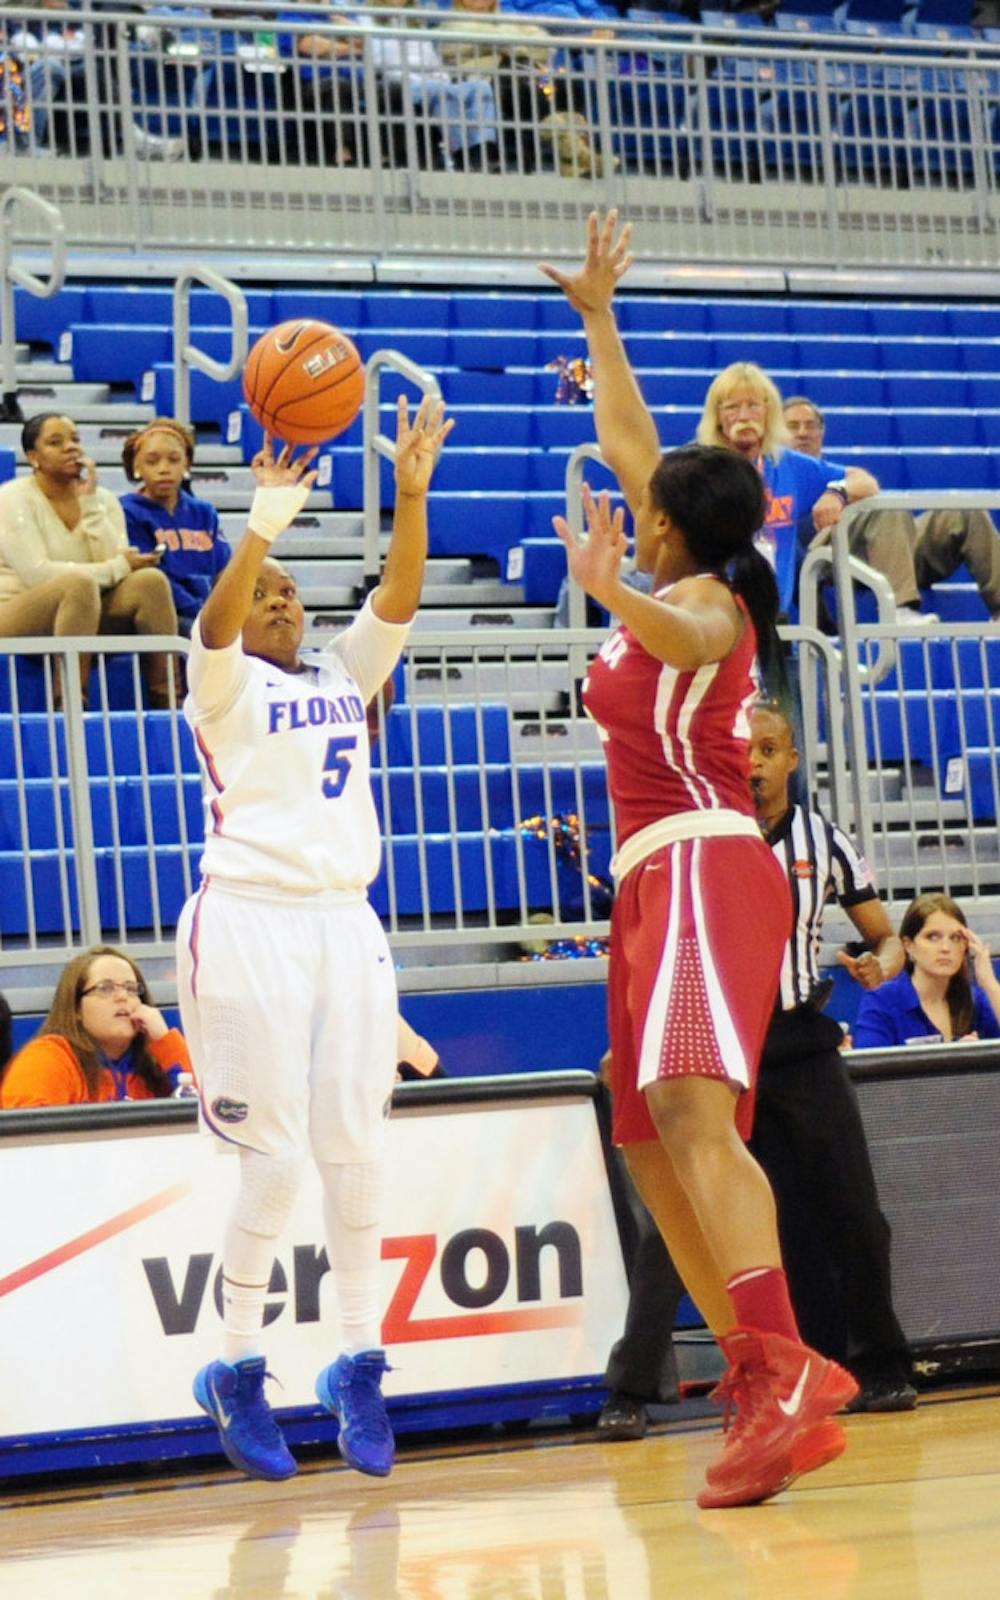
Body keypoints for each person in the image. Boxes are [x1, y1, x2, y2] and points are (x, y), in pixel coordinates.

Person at [539, 210, 859, 1511]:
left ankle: (786, 1366)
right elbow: (629, 441)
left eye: (647, 506)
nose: (634, 496)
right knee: (645, 1120)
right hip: (650, 881)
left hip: (704, 863)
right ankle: (753, 1368)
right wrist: (602, 316)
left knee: (684, 1108)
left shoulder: (716, 602)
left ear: (675, 529)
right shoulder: (668, 564)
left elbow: (671, 635)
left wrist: (607, 591)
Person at [175, 393, 453, 1484]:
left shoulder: (342, 677)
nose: (287, 602)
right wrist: (260, 531)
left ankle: (358, 1361)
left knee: (357, 1152)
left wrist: (413, 493)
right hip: (247, 919)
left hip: (347, 923)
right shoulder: (220, 685)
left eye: (296, 592)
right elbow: (211, 622)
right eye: (271, 597)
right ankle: (236, 1366)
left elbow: (398, 595)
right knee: (276, 1162)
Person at [595, 697, 916, 1439]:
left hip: (793, 1039)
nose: (756, 762)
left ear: (791, 760)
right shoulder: (689, 844)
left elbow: (884, 931)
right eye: (746, 749)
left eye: (770, 750)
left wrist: (884, 962)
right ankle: (633, 1387)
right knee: (676, 1221)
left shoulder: (821, 840)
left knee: (856, 1210)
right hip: (708, 1041)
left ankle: (883, 1364)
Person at [0, 413, 179, 707]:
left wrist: (90, 504)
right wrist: (118, 567)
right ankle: (70, 705)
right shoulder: (11, 498)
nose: (71, 448)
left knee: (150, 582)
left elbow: (117, 564)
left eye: (75, 440)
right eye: (56, 442)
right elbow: (37, 574)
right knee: (77, 584)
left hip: (83, 614)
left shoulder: (103, 500)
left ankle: (170, 702)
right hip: (15, 612)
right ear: (33, 457)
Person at [784, 395, 1000, 625]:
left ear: (822, 433)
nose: (803, 432)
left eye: (811, 425)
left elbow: (868, 483)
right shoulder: (779, 475)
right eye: (793, 426)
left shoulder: (829, 471)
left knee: (965, 513)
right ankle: (899, 610)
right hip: (829, 558)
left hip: (886, 549)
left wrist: (836, 493)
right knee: (885, 509)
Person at [0, 945, 191, 1107]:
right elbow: (25, 1137)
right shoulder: (50, 1057)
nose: (122, 996)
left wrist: (166, 1041)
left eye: (131, 989)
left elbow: (213, 1111)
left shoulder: (154, 1065)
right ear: (75, 1008)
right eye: (105, 988)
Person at [119, 417, 232, 637]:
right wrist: (202, 614)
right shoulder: (127, 511)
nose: (164, 469)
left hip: (209, 613)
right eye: (152, 461)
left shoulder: (204, 512)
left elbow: (224, 572)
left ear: (187, 464)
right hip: (168, 615)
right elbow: (151, 578)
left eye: (173, 460)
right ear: (136, 466)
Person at [854, 893, 1000, 1049]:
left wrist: (989, 982)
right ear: (908, 945)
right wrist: (954, 1057)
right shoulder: (882, 1000)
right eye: (933, 937)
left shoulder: (975, 1000)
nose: (946, 948)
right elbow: (871, 1067)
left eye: (955, 938)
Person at [367, 0, 500, 171]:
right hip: (399, 83)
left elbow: (434, 62)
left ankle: (483, 149)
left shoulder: (416, 22)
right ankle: (459, 151)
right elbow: (377, 60)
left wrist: (442, 78)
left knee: (480, 87)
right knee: (439, 90)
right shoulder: (367, 19)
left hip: (431, 82)